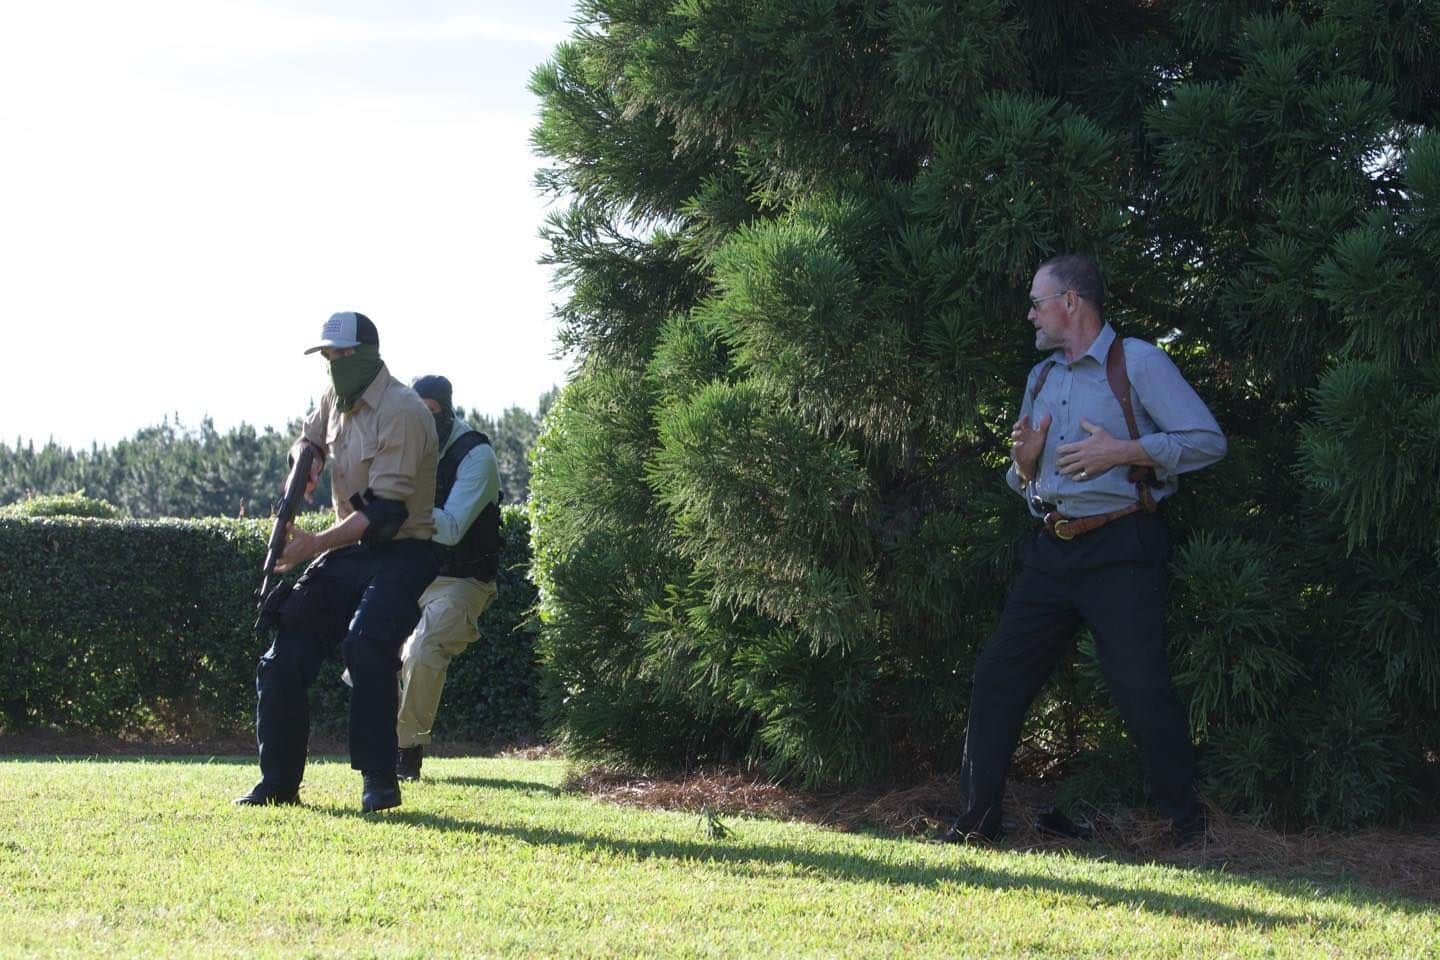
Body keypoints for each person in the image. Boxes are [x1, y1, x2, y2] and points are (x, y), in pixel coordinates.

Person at [939, 254, 1227, 846]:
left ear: (1071, 302)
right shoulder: (1042, 377)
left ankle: (1183, 824)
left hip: (1122, 544)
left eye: (1037, 302)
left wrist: (1122, 452)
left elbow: (1207, 441)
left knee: (1140, 684)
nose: (1030, 315)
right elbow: (1021, 473)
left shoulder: (1139, 362)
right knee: (998, 674)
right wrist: (1022, 465)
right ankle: (979, 822)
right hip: (1052, 548)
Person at [235, 311, 438, 813]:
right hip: (350, 548)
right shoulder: (333, 398)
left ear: (367, 353)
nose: (334, 365)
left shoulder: (403, 410)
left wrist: (310, 545)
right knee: (283, 653)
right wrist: (305, 459)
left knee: (366, 643)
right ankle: (278, 783)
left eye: (343, 355)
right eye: (327, 356)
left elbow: (385, 513)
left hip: (403, 548)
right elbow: (308, 436)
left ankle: (379, 781)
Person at [392, 374, 503, 782]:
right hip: (410, 574)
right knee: (366, 646)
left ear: (446, 410)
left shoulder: (475, 456)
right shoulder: (403, 444)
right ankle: (381, 742)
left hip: (462, 582)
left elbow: (453, 528)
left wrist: (398, 503)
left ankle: (406, 750)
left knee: (422, 650)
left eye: (430, 413)